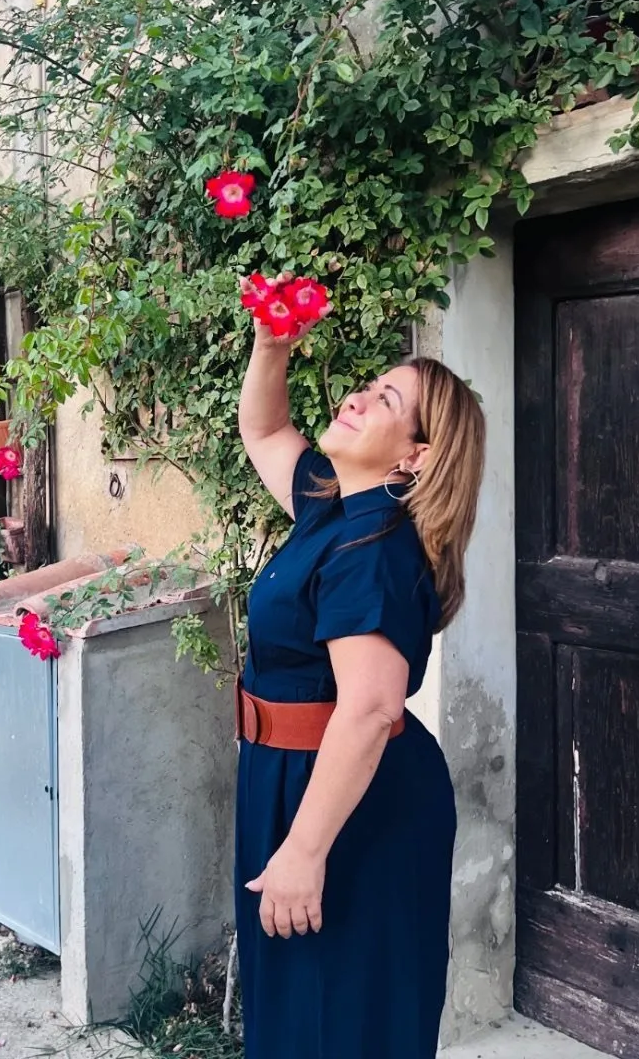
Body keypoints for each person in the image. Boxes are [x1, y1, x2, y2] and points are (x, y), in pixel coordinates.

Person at [234, 275, 486, 1059]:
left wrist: (305, 850)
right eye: (370, 386)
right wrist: (271, 345)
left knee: (341, 1024)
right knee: (296, 1014)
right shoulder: (334, 508)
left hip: (346, 802)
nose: (359, 397)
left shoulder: (374, 548)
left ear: (416, 456)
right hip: (289, 778)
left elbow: (371, 709)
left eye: (387, 400)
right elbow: (265, 432)